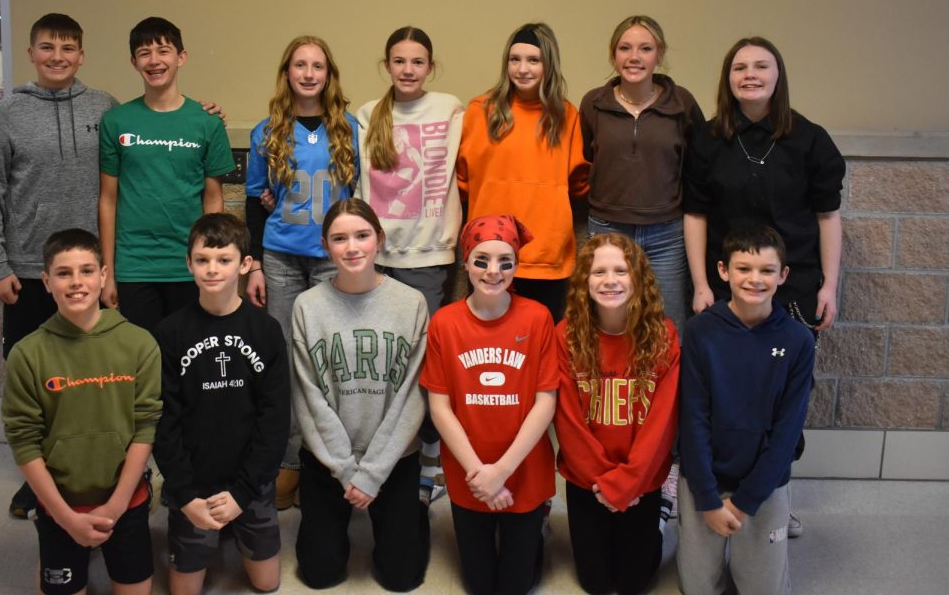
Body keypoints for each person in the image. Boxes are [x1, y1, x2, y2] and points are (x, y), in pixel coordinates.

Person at [683, 37, 843, 541]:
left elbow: (827, 216)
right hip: (727, 286)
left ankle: (775, 499)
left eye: (761, 66)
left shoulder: (810, 139)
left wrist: (831, 285)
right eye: (740, 67)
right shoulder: (708, 140)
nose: (749, 74)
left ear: (778, 76)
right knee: (724, 396)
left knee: (784, 401)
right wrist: (702, 282)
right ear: (727, 78)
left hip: (792, 285)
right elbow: (696, 214)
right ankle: (716, 496)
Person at [0, 12, 118, 519]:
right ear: (31, 53)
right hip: (29, 271)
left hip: (88, 272)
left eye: (67, 47)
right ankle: (36, 480)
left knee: (91, 377)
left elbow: (137, 152)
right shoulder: (8, 113)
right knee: (33, 379)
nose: (57, 56)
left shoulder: (104, 107)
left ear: (81, 54)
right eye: (47, 47)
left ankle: (89, 470)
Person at [1, 228, 162, 595]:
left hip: (126, 500)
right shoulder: (27, 354)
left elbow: (145, 426)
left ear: (104, 276)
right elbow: (23, 442)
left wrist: (118, 505)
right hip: (61, 504)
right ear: (46, 281)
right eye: (64, 273)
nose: (77, 283)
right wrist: (64, 517)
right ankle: (55, 547)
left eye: (87, 271)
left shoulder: (139, 343)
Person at [244, 35, 359, 509]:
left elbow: (360, 198)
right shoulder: (266, 130)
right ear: (287, 72)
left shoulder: (348, 128)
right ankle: (289, 459)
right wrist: (251, 263)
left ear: (329, 74)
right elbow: (256, 199)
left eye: (318, 66)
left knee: (331, 357)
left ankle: (330, 457)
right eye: (300, 65)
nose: (309, 74)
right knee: (286, 359)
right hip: (281, 257)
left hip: (333, 258)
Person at [290, 198, 429, 591]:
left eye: (362, 235)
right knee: (319, 574)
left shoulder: (411, 303)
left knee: (402, 578)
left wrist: (373, 473)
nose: (352, 247)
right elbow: (308, 397)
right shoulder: (307, 306)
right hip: (328, 456)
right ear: (325, 245)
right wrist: (348, 472)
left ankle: (413, 507)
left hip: (393, 454)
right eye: (340, 238)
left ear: (379, 239)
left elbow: (412, 397)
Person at [421, 215, 558, 595]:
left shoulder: (538, 317)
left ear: (517, 266)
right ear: (465, 262)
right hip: (471, 474)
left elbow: (546, 403)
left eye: (505, 261)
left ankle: (535, 527)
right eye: (481, 260)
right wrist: (481, 474)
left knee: (516, 586)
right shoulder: (445, 323)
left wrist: (503, 471)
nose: (493, 271)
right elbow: (440, 407)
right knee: (480, 586)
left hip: (523, 470)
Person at [153, 213, 289, 595]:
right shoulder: (169, 333)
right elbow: (165, 422)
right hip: (193, 482)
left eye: (224, 260)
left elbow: (275, 420)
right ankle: (206, 525)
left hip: (250, 479)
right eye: (202, 260)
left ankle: (234, 526)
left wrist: (244, 493)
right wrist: (185, 495)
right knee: (184, 591)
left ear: (245, 264)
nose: (212, 269)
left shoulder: (265, 331)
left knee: (267, 583)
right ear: (189, 263)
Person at [356, 25, 464, 503]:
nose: (407, 70)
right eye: (398, 61)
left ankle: (429, 456)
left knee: (426, 363)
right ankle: (383, 457)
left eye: (417, 62)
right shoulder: (365, 115)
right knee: (384, 362)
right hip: (376, 257)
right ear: (386, 65)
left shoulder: (452, 109)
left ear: (431, 68)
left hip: (430, 255)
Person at [676, 226, 814, 595]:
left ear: (783, 275)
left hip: (763, 482)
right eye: (743, 269)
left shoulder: (798, 341)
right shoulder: (699, 332)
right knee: (698, 589)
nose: (755, 279)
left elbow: (787, 433)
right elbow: (692, 420)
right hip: (705, 477)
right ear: (723, 271)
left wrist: (745, 502)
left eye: (767, 270)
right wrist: (707, 498)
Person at [553, 233, 680, 595]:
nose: (610, 280)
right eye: (599, 272)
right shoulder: (567, 336)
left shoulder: (662, 336)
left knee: (633, 583)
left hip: (642, 479)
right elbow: (567, 421)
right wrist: (603, 483)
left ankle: (659, 512)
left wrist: (629, 483)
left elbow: (663, 421)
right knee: (595, 583)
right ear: (584, 282)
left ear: (638, 278)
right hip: (586, 480)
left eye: (621, 270)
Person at [98, 17, 236, 334]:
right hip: (134, 267)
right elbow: (108, 199)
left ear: (181, 57)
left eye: (164, 50)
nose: (155, 60)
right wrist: (109, 272)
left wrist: (213, 264)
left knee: (189, 358)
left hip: (190, 266)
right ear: (134, 62)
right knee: (143, 361)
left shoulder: (207, 122)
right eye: (144, 53)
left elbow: (213, 199)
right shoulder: (116, 121)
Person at [456, 22, 590, 322]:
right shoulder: (480, 110)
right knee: (487, 344)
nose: (522, 68)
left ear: (549, 64)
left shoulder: (565, 115)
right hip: (489, 251)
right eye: (514, 59)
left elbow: (579, 183)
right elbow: (462, 180)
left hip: (546, 252)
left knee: (541, 344)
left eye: (533, 60)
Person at [578, 15, 704, 329]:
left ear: (659, 55)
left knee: (668, 326)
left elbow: (698, 166)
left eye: (645, 48)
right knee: (607, 324)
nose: (634, 57)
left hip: (667, 234)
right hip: (608, 230)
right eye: (625, 48)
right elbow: (585, 159)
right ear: (613, 55)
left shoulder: (682, 104)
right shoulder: (593, 103)